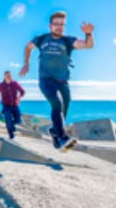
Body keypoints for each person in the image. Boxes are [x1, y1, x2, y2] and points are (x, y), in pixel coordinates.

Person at [19, 11, 93, 149]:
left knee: (63, 110)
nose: (59, 27)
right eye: (56, 24)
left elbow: (88, 45)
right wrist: (26, 63)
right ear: (50, 25)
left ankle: (54, 132)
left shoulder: (68, 41)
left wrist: (88, 34)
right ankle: (63, 138)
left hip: (63, 82)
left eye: (62, 24)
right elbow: (28, 47)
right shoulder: (41, 39)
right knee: (57, 104)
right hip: (46, 80)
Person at [0, 71, 26, 139]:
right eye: (8, 76)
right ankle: (11, 135)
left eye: (10, 75)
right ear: (4, 77)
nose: (9, 77)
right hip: (6, 106)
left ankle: (11, 125)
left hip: (15, 105)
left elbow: (22, 91)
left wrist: (19, 97)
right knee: (8, 118)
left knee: (18, 120)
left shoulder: (15, 83)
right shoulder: (1, 85)